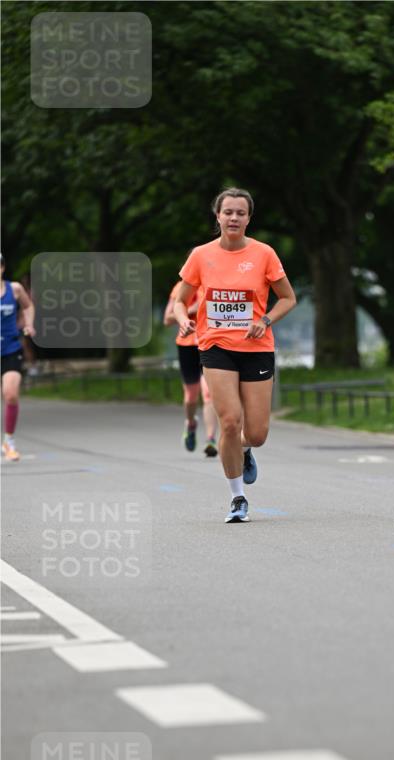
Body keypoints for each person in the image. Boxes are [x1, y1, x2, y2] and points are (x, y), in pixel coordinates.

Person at [174, 188, 296, 522]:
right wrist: (184, 321)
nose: (233, 218)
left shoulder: (264, 254)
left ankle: (245, 450)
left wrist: (265, 319)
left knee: (256, 433)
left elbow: (288, 298)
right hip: (215, 346)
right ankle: (237, 497)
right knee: (229, 421)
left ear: (248, 218)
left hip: (256, 347)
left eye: (240, 213)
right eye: (228, 212)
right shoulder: (201, 255)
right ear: (217, 216)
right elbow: (180, 300)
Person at [163, 281, 218, 455]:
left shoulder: (214, 284)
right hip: (186, 345)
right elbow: (167, 319)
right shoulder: (181, 287)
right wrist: (192, 309)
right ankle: (191, 423)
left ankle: (210, 439)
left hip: (208, 343)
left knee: (209, 393)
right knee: (190, 396)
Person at [1, 254, 35, 461]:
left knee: (11, 394)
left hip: (10, 349)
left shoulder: (14, 289)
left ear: (3, 267)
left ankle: (9, 441)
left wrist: (29, 324)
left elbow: (28, 306)